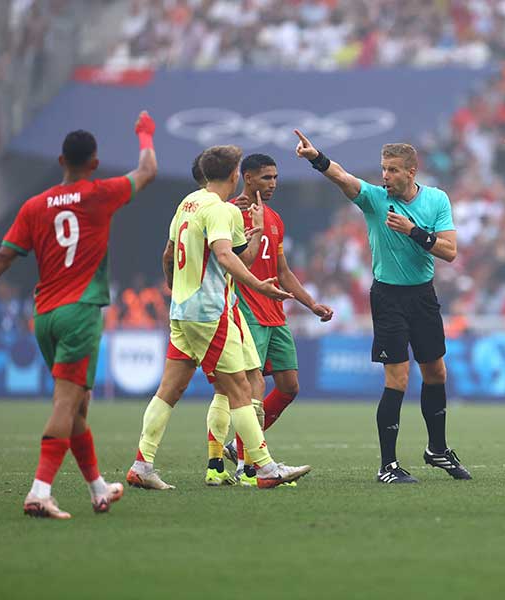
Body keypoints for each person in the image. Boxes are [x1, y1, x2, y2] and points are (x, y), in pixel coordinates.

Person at [0, 111, 158, 519]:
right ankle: (40, 491)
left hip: (45, 316)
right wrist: (144, 132)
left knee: (78, 404)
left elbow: (4, 256)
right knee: (66, 401)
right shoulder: (100, 192)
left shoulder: (34, 206)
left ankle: (98, 489)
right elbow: (148, 169)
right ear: (94, 164)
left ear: (61, 161)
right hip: (80, 312)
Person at [125, 144, 310, 490]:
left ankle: (142, 464)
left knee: (171, 389)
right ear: (235, 174)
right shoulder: (220, 210)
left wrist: (177, 289)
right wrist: (259, 285)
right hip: (210, 312)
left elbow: (169, 255)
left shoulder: (188, 203)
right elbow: (225, 256)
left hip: (183, 311)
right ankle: (264, 468)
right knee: (240, 387)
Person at [293, 129, 471, 484]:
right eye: (383, 169)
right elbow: (343, 178)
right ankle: (387, 465)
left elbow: (449, 251)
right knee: (399, 378)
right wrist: (316, 158)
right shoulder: (374, 199)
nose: (385, 176)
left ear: (411, 172)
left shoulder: (436, 200)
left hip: (423, 295)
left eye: (392, 170)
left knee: (436, 373)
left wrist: (412, 231)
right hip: (388, 297)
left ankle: (437, 449)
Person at [224, 153, 334, 485]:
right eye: (265, 178)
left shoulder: (274, 218)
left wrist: (311, 303)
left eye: (275, 178)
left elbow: (282, 272)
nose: (272, 184)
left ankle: (238, 446)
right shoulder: (229, 214)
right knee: (250, 387)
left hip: (276, 315)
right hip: (247, 312)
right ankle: (249, 464)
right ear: (247, 177)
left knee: (289, 387)